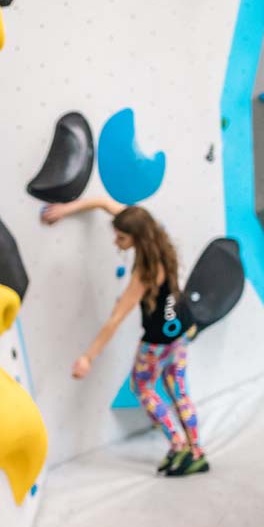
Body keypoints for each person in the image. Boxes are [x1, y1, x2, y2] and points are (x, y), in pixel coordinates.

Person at [41, 195, 209, 476]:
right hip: (179, 332)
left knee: (143, 388)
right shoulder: (153, 229)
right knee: (178, 390)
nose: (115, 242)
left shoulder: (145, 272)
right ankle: (197, 451)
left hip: (156, 342)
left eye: (120, 238)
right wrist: (67, 209)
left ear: (136, 238)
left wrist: (88, 357)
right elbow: (103, 203)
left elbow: (116, 319)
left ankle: (179, 445)